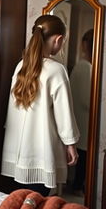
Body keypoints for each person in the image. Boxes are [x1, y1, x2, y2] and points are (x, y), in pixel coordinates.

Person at [1, 15, 80, 196]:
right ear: (58, 39)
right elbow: (64, 114)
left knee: (21, 200)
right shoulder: (56, 70)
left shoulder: (21, 66)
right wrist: (71, 144)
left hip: (16, 153)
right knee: (37, 199)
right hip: (41, 154)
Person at [70, 29, 93, 196]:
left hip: (82, 118)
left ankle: (79, 184)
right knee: (83, 154)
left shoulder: (87, 66)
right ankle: (78, 186)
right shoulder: (84, 67)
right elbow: (86, 98)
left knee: (83, 153)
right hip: (83, 117)